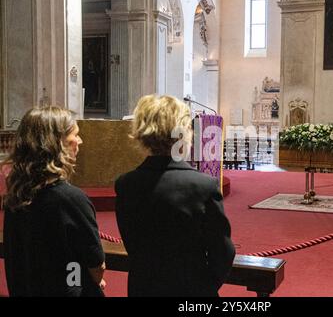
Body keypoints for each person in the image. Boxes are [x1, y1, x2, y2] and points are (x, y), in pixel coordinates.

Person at [115, 95, 235, 297]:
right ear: (183, 133)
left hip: (143, 288)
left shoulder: (126, 184)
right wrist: (204, 287)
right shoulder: (203, 186)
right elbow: (223, 252)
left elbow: (132, 243)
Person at [2, 106, 106, 297]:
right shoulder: (70, 199)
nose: (80, 141)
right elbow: (97, 266)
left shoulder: (16, 196)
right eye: (76, 135)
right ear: (57, 143)